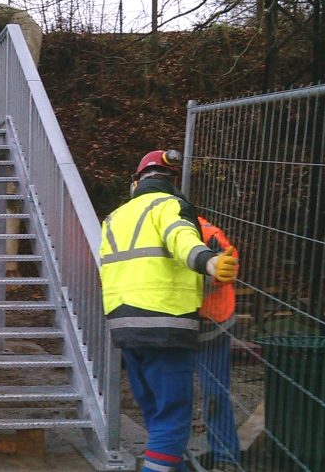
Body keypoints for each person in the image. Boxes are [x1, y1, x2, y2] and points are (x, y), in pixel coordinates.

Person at [98, 149, 239, 472]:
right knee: (173, 416)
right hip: (167, 326)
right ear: (173, 183)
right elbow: (182, 239)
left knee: (155, 412)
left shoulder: (114, 218)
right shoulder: (170, 206)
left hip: (125, 326)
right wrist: (209, 261)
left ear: (135, 183)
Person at [196, 216, 241, 472]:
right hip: (171, 327)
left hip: (212, 325)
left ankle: (225, 458)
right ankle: (167, 453)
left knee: (214, 394)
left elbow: (229, 265)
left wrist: (211, 274)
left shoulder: (206, 232)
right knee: (169, 395)